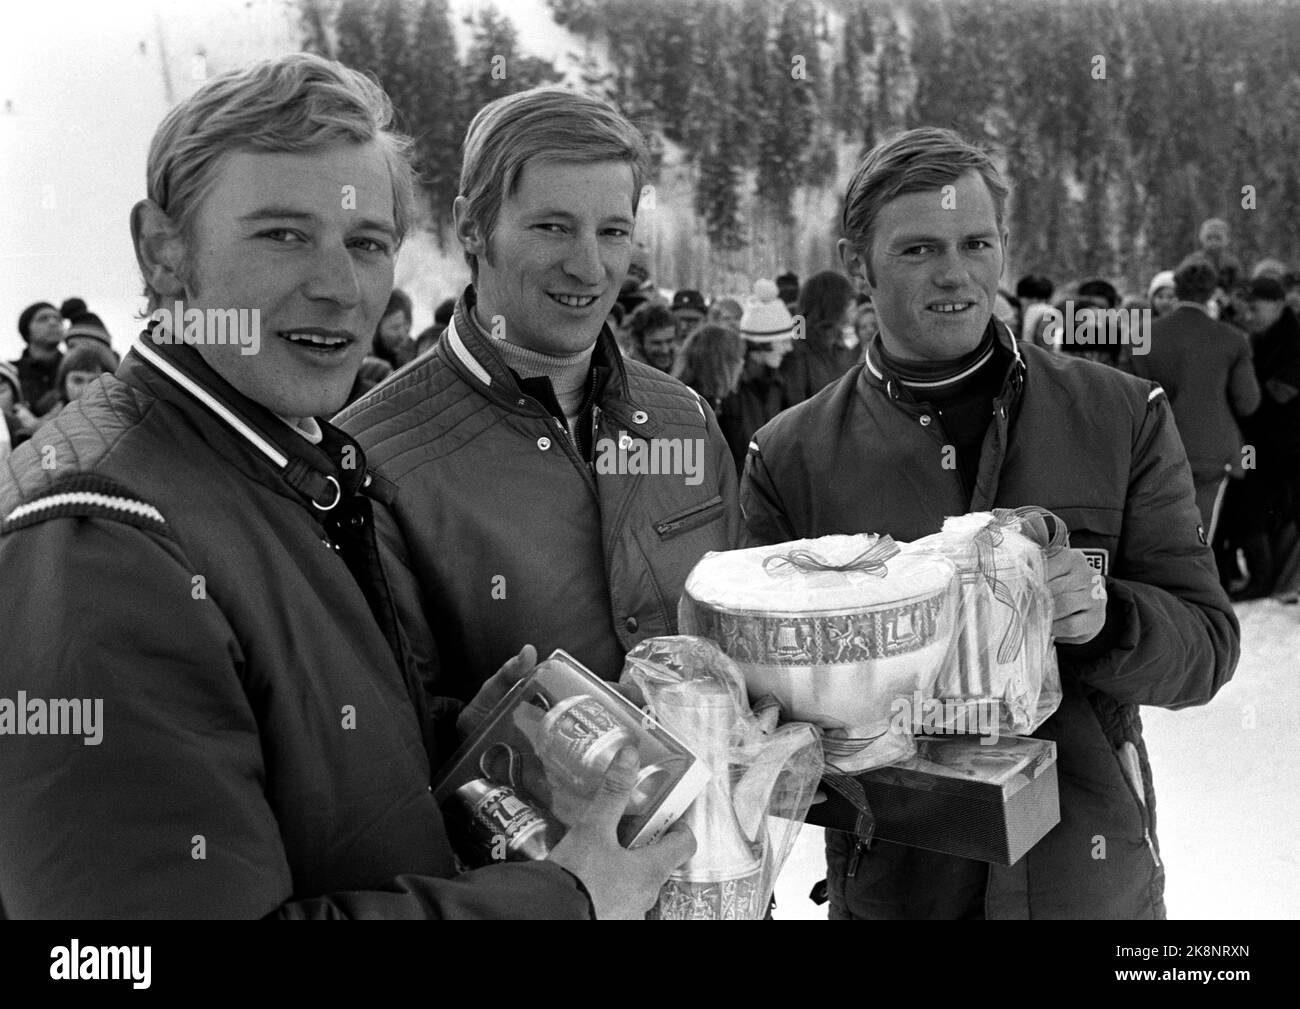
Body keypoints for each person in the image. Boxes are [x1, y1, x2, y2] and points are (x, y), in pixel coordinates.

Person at [0, 53, 691, 920]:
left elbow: (293, 765)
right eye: (283, 233)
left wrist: (445, 731)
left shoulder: (272, 462)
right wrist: (565, 899)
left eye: (366, 243)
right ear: (165, 251)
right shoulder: (101, 536)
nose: (338, 288)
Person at [742, 126, 1239, 920]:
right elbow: (760, 701)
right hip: (900, 890)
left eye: (976, 242)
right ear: (855, 263)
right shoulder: (790, 454)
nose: (955, 274)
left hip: (1090, 880)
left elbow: (1209, 648)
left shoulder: (1120, 415)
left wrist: (1108, 622)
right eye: (917, 250)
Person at [336, 85, 740, 704]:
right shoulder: (374, 460)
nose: (589, 267)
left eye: (612, 231)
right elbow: (390, 737)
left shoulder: (683, 419)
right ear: (472, 225)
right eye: (553, 227)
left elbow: (746, 637)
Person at [1130, 258, 1259, 543]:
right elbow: (1247, 402)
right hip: (1213, 449)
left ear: (1176, 289)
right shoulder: (1233, 339)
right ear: (1212, 291)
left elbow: (1131, 398)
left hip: (1158, 447)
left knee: (1157, 533)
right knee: (1201, 534)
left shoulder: (1143, 335)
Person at [1225, 276, 1300, 599]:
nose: (1248, 315)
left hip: (1284, 446)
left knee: (1271, 506)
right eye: (1245, 308)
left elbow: (1270, 399)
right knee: (1247, 497)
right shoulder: (1257, 338)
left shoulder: (1293, 343)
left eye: (1255, 308)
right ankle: (1263, 576)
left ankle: (1269, 579)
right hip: (1253, 443)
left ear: (1278, 305)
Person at [720, 279, 793, 473]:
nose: (788, 348)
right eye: (783, 341)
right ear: (762, 345)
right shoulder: (730, 387)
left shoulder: (778, 382)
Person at [780, 269, 858, 408]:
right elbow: (795, 408)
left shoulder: (839, 346)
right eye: (848, 300)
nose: (854, 306)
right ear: (833, 303)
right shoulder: (799, 351)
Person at [11, 301, 64, 416]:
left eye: (58, 319)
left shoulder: (75, 368)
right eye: (43, 319)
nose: (53, 322)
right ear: (27, 330)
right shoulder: (11, 373)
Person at [51, 341, 121, 409]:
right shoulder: (49, 420)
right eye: (78, 381)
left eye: (95, 382)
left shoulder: (126, 419)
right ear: (63, 385)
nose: (85, 389)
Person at [627, 300, 679, 373]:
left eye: (669, 341)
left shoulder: (685, 371)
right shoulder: (627, 375)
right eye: (656, 343)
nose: (665, 350)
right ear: (638, 342)